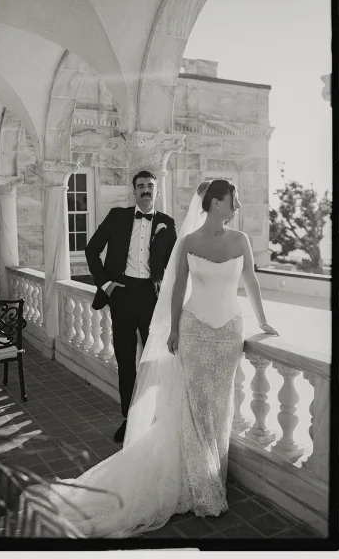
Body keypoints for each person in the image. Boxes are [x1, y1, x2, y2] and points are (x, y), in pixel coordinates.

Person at [21, 179, 278, 538]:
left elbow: (250, 278)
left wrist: (262, 319)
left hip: (229, 332)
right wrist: (174, 328)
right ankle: (197, 479)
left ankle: (208, 471)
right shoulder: (188, 242)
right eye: (232, 199)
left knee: (220, 404)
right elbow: (177, 290)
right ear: (216, 203)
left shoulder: (240, 241)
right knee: (192, 403)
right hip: (194, 329)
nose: (237, 205)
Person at [85, 170, 177, 443]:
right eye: (141, 186)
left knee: (153, 360)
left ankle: (152, 417)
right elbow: (92, 250)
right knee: (126, 361)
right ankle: (129, 419)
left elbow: (173, 267)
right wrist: (106, 285)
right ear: (133, 191)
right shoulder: (117, 217)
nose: (146, 190)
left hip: (151, 297)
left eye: (150, 186)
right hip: (122, 294)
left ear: (157, 191)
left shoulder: (167, 223)